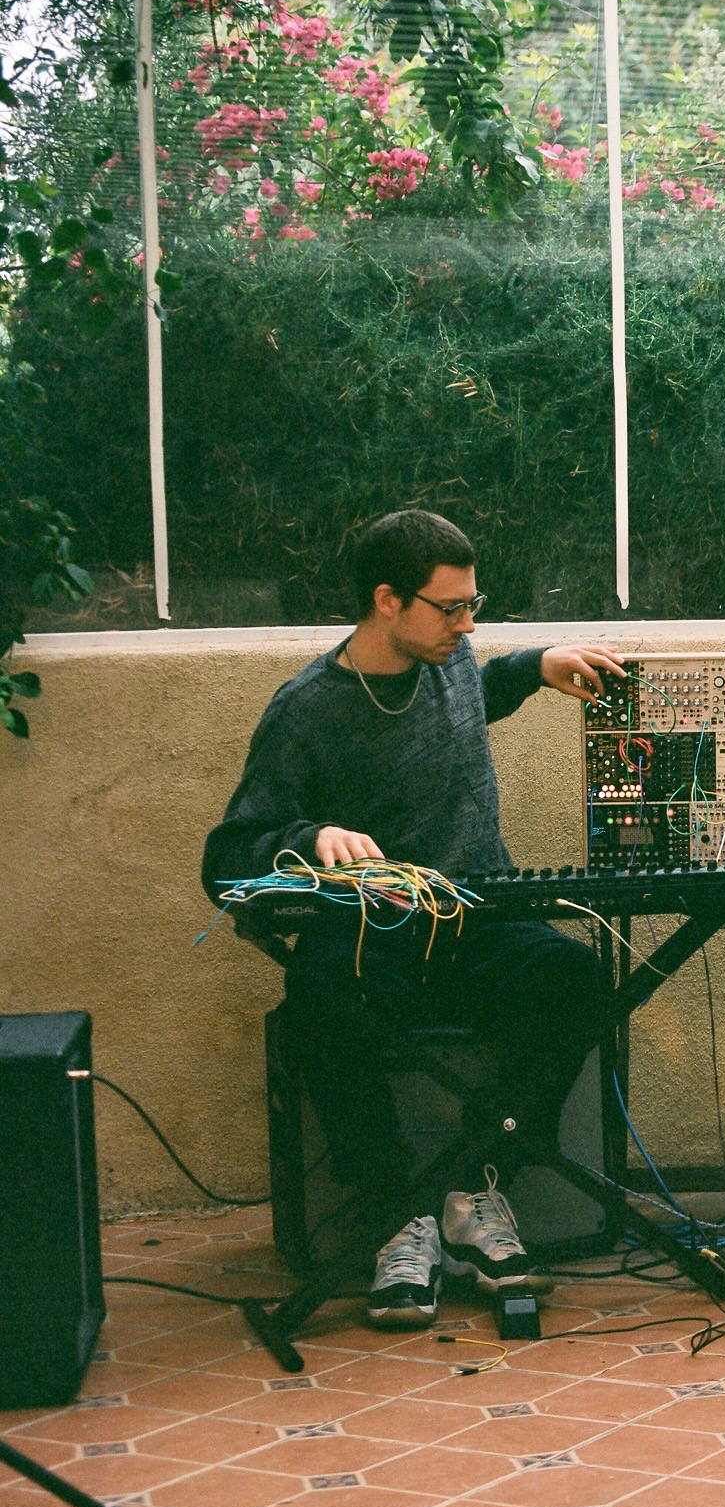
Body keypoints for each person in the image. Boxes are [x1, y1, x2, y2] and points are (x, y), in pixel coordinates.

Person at [202, 510, 627, 1329]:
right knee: (319, 994)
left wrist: (539, 664)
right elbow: (226, 857)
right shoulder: (306, 709)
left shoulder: (451, 659)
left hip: (479, 919)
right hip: (375, 938)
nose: (468, 625)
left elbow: (477, 691)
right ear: (387, 600)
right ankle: (398, 1214)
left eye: (474, 605)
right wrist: (308, 837)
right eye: (451, 607)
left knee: (575, 976)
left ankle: (475, 1188)